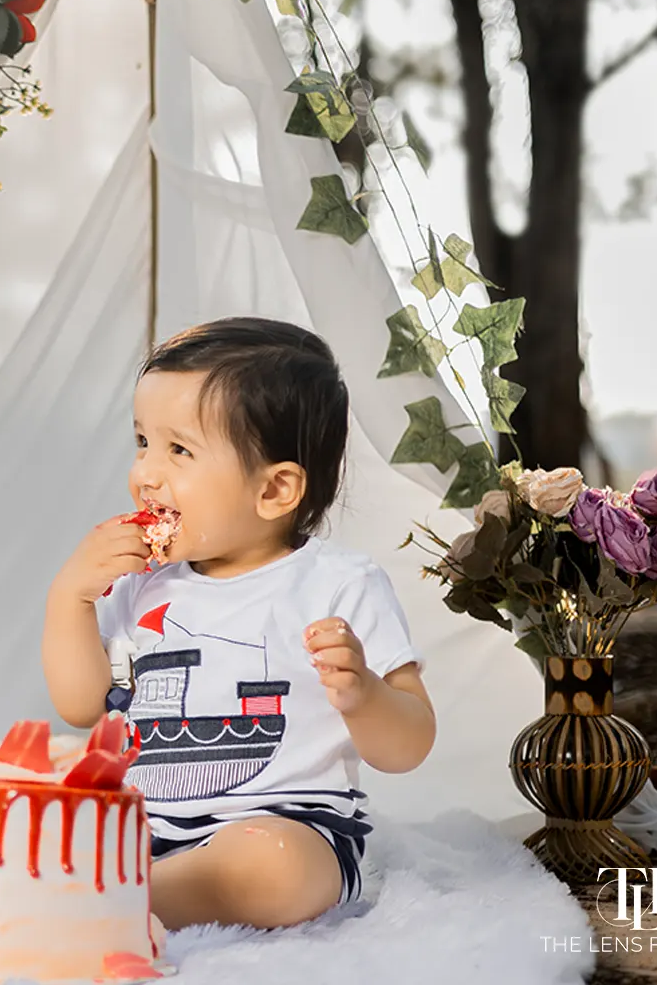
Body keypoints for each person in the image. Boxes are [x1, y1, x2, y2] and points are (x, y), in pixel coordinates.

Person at [43, 317, 436, 930]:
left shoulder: (337, 585)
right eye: (142, 441)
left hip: (290, 827)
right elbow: (82, 704)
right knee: (42, 791)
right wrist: (69, 599)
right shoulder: (141, 580)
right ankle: (126, 886)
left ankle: (126, 903)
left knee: (272, 866)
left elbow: (408, 746)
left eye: (179, 450)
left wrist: (365, 695)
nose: (147, 473)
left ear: (276, 490)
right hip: (143, 828)